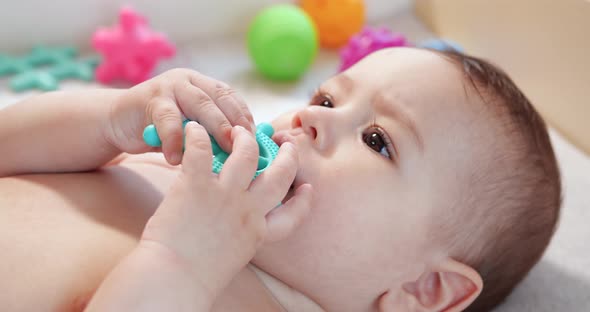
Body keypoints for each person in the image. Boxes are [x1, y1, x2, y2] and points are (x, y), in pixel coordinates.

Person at [0, 47, 561, 312]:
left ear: (423, 290)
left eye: (377, 140)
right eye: (327, 97)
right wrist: (108, 120)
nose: (311, 118)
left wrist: (182, 263)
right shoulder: (171, 164)